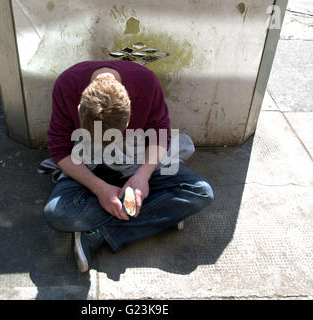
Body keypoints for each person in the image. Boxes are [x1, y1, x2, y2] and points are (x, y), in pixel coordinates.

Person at [43, 60, 214, 272]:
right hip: (88, 163)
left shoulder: (146, 82)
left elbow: (160, 135)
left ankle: (99, 234)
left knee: (201, 192)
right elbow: (60, 150)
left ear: (130, 107)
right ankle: (161, 214)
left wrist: (143, 176)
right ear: (79, 108)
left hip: (136, 158)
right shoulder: (66, 84)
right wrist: (100, 188)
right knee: (56, 214)